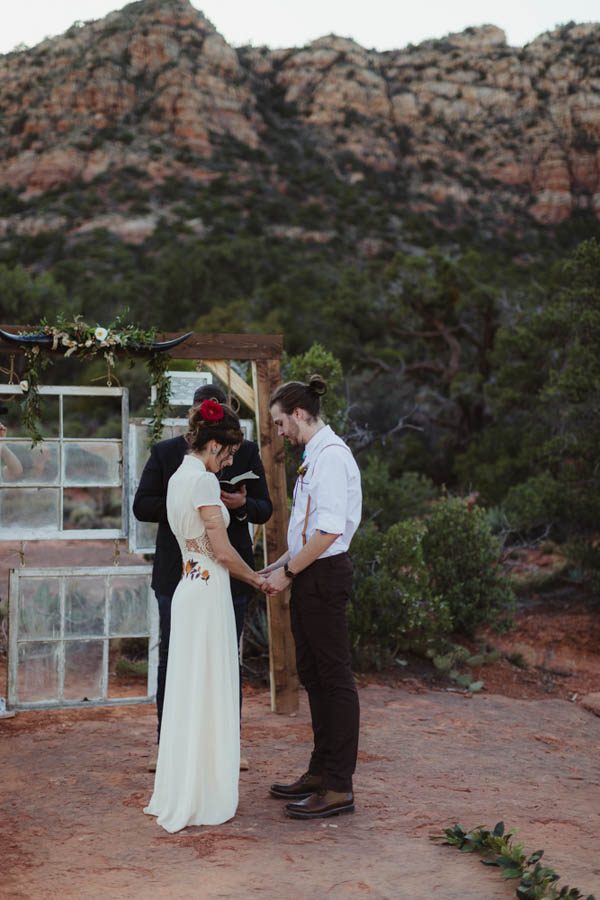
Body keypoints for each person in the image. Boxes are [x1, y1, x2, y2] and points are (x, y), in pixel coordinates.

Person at [143, 399, 271, 832]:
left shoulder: (180, 475)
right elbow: (222, 550)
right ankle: (202, 793)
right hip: (207, 588)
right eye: (229, 452)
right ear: (214, 445)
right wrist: (257, 579)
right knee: (207, 685)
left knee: (189, 686)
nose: (231, 459)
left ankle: (186, 784)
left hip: (189, 587)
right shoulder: (201, 483)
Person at [262, 374, 362, 820]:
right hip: (309, 572)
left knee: (335, 681)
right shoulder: (313, 455)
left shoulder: (333, 457)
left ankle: (339, 786)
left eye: (281, 423)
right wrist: (278, 563)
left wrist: (287, 572)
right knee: (315, 678)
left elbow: (329, 531)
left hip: (323, 575)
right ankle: (319, 772)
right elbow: (306, 530)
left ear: (300, 414)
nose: (280, 432)